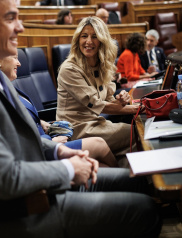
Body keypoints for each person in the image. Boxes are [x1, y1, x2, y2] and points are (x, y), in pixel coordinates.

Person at [0, 0, 162, 237]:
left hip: (39, 185)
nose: (20, 27)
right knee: (145, 211)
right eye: (11, 18)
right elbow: (4, 177)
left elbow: (27, 138)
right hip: (18, 211)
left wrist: (60, 150)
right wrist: (68, 169)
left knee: (139, 181)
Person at [0, 54, 118, 167]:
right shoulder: (0, 94)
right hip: (41, 151)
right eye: (14, 58)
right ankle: (129, 181)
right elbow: (16, 138)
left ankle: (121, 179)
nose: (19, 63)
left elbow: (24, 118)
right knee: (98, 144)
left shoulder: (9, 87)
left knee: (100, 165)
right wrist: (51, 140)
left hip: (47, 138)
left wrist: (41, 122)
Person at [56, 17, 144, 167]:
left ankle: (127, 177)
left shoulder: (101, 65)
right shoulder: (69, 68)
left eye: (94, 36)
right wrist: (137, 108)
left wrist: (120, 99)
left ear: (102, 41)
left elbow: (108, 98)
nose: (88, 41)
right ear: (78, 40)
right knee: (136, 134)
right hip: (75, 129)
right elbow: (96, 104)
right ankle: (132, 178)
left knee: (134, 133)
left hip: (95, 123)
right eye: (84, 36)